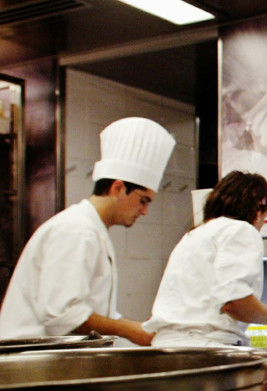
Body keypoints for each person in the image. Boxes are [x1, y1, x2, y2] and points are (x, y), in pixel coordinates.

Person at [0, 117, 176, 345]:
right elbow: (62, 314)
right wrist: (129, 329)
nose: (144, 212)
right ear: (118, 187)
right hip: (28, 363)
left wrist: (138, 331)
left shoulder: (92, 229)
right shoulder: (77, 230)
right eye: (143, 201)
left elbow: (93, 315)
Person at [144, 171, 267, 346]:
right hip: (206, 349)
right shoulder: (241, 230)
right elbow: (235, 302)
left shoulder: (193, 235)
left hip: (166, 347)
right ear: (259, 209)